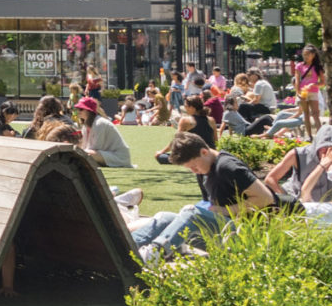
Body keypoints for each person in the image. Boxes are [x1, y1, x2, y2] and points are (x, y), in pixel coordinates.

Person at [128, 132, 274, 258]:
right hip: (220, 231)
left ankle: (153, 254)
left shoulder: (228, 166)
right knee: (165, 217)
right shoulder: (204, 169)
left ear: (204, 152)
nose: (194, 171)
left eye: (194, 166)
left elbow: (266, 197)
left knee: (192, 214)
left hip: (245, 235)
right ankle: (128, 248)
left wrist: (225, 210)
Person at [83, 98, 133, 169]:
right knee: (83, 152)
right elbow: (85, 145)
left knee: (86, 153)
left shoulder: (99, 123)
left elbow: (97, 147)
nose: (78, 111)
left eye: (81, 109)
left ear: (89, 111)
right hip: (105, 153)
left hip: (119, 157)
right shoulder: (86, 125)